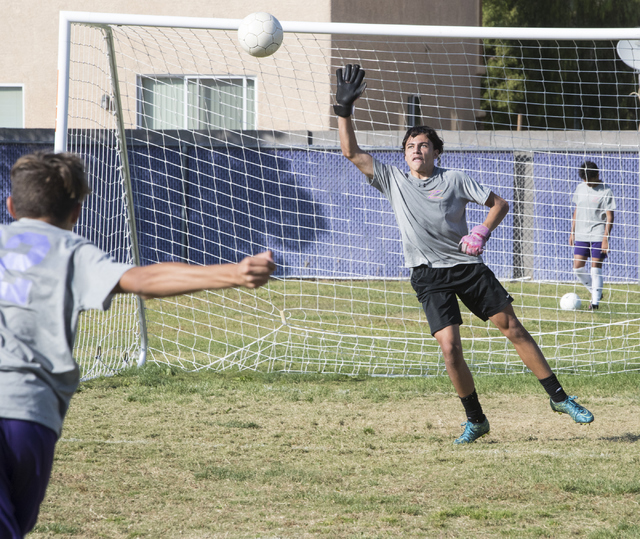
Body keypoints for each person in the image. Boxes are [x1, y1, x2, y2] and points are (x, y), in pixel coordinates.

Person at [0, 152, 276, 538]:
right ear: (77, 213)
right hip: (26, 414)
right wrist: (233, 272)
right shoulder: (72, 251)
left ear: (11, 206)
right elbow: (143, 280)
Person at [333, 64, 594, 445]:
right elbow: (351, 152)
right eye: (409, 146)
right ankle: (476, 420)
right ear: (403, 156)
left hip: (467, 267)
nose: (416, 150)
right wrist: (344, 110)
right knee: (450, 348)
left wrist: (481, 231)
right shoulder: (393, 180)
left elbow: (500, 204)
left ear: (436, 152)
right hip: (427, 274)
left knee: (513, 328)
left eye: (423, 145)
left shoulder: (454, 179)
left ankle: (559, 397)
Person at [569, 161, 615, 310]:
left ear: (597, 175)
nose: (587, 183)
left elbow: (610, 217)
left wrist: (605, 239)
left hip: (598, 234)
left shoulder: (606, 191)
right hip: (581, 234)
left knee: (595, 268)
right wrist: (572, 232)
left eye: (589, 180)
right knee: (577, 268)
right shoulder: (580, 188)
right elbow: (577, 210)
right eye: (584, 181)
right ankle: (596, 292)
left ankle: (595, 303)